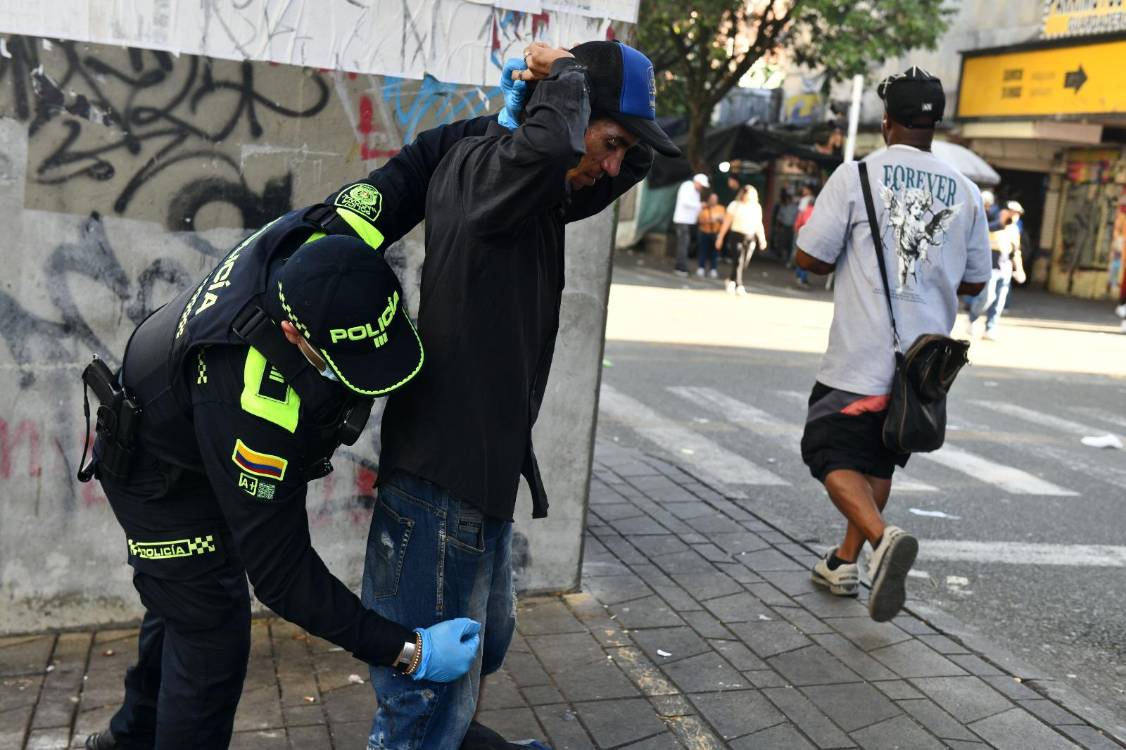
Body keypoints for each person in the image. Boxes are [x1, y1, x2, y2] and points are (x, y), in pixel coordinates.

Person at [78, 117, 498, 750]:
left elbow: (419, 164)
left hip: (184, 420)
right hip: (157, 473)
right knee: (210, 627)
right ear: (297, 337)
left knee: (182, 606)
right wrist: (407, 650)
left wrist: (507, 123)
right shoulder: (258, 404)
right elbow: (281, 575)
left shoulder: (339, 233)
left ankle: (128, 740)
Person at [365, 39, 676, 748]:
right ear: (560, 124)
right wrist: (564, 80)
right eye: (607, 142)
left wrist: (590, 109)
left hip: (479, 483)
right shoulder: (492, 183)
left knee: (483, 651)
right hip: (441, 485)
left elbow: (641, 160)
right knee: (421, 705)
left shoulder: (536, 194)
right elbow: (542, 149)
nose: (613, 166)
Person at [794, 66, 990, 622]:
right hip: (921, 367)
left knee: (826, 449)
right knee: (877, 461)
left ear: (885, 122)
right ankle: (843, 562)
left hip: (858, 356)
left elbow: (811, 257)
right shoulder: (969, 192)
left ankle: (883, 540)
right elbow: (976, 282)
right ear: (935, 123)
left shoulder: (856, 177)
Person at [967, 200, 1025, 340]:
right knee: (987, 297)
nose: (1014, 216)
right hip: (991, 267)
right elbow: (984, 233)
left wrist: (1020, 270)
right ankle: (972, 319)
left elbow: (1016, 252)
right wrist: (1002, 222)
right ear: (1003, 211)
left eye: (1017, 213)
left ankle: (990, 328)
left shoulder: (1015, 229)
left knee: (999, 301)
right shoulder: (993, 224)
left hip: (1006, 268)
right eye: (1012, 212)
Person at [717, 184, 767, 295]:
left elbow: (759, 224)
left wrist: (762, 239)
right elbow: (726, 222)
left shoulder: (756, 207)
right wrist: (720, 237)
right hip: (736, 235)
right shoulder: (734, 205)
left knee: (744, 262)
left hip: (750, 237)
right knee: (738, 259)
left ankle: (731, 280)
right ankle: (739, 285)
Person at [673, 173, 709, 276]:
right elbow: (685, 202)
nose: (701, 187)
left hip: (689, 221)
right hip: (682, 220)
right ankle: (680, 267)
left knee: (685, 244)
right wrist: (700, 205)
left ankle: (681, 266)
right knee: (683, 244)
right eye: (701, 185)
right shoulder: (687, 186)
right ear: (697, 182)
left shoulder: (696, 191)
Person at [696, 191, 725, 278]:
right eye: (712, 199)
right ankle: (701, 268)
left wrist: (719, 219)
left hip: (716, 233)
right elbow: (699, 221)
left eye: (715, 199)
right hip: (705, 232)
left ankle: (713, 269)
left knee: (715, 253)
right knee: (703, 251)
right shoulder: (704, 209)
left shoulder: (721, 208)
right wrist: (710, 220)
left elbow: (725, 221)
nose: (713, 200)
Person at [792, 188, 816, 287]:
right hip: (810, 236)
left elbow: (797, 223)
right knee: (808, 257)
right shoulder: (816, 212)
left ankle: (799, 275)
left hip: (800, 234)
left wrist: (797, 232)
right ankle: (802, 278)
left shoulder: (803, 211)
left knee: (800, 255)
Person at [772, 189, 798, 262]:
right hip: (784, 226)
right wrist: (778, 226)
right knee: (782, 241)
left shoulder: (794, 207)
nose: (787, 201)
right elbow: (779, 217)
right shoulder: (783, 207)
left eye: (788, 199)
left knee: (789, 242)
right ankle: (781, 255)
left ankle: (788, 256)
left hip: (791, 227)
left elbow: (796, 217)